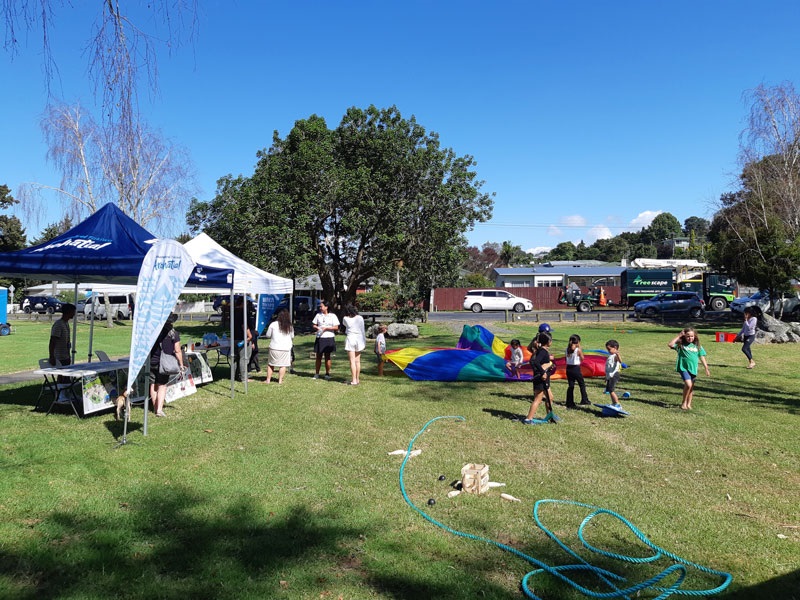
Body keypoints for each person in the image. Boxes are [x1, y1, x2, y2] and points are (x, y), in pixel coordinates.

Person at [149, 315, 184, 417]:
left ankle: (155, 406)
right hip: (165, 364)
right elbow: (177, 351)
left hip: (152, 361)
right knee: (162, 385)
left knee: (153, 384)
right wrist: (181, 364)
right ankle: (159, 409)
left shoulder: (153, 332)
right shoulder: (174, 334)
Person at [668, 328, 710, 411]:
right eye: (688, 336)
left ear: (695, 336)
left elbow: (702, 357)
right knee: (688, 384)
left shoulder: (697, 346)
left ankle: (688, 404)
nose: (690, 338)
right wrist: (679, 336)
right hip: (683, 368)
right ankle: (683, 403)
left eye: (692, 336)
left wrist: (706, 368)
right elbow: (670, 344)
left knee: (691, 388)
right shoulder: (681, 345)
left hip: (693, 369)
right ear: (684, 336)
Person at [522, 331, 558, 424]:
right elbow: (536, 362)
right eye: (551, 340)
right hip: (541, 379)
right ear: (548, 341)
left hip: (545, 379)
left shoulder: (543, 351)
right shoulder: (542, 351)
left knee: (550, 397)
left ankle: (550, 416)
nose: (552, 342)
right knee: (538, 399)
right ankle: (528, 419)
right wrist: (543, 373)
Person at [264, 309, 294, 384]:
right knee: (283, 365)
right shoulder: (289, 326)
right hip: (285, 348)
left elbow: (268, 335)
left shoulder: (273, 324)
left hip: (274, 347)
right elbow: (292, 336)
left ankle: (268, 380)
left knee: (271, 364)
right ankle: (280, 380)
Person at [312, 300, 340, 380]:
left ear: (326, 307)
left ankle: (327, 373)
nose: (320, 308)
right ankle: (317, 373)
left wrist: (327, 328)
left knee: (327, 356)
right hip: (320, 337)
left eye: (322, 306)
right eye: (320, 306)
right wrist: (317, 327)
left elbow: (336, 327)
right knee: (318, 356)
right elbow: (314, 324)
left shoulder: (332, 316)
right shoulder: (318, 315)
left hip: (329, 337)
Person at [565, 334, 590, 408]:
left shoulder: (567, 349)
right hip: (576, 368)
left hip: (568, 368)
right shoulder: (578, 350)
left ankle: (569, 402)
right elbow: (582, 358)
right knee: (581, 384)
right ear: (578, 342)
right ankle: (584, 399)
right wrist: (580, 349)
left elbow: (566, 359)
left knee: (571, 385)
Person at [343, 304, 366, 385]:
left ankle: (354, 380)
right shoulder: (360, 318)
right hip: (359, 338)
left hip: (351, 338)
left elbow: (345, 325)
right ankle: (357, 379)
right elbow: (362, 329)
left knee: (352, 361)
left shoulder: (345, 319)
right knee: (357, 361)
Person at [232, 296, 252, 382]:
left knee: (235, 358)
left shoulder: (233, 312)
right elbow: (244, 325)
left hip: (234, 337)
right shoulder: (243, 312)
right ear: (243, 303)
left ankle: (233, 376)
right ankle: (244, 378)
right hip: (242, 338)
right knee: (244, 358)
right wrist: (249, 336)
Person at [49, 303, 76, 368]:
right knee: (62, 375)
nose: (74, 314)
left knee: (66, 376)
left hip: (66, 355)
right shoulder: (59, 324)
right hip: (59, 357)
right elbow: (52, 341)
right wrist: (52, 356)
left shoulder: (66, 323)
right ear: (69, 312)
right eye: (73, 312)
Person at [604, 339, 622, 408]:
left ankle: (617, 404)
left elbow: (620, 361)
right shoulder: (610, 356)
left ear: (615, 348)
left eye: (609, 349)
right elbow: (608, 368)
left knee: (611, 390)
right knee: (609, 390)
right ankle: (614, 403)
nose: (608, 351)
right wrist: (606, 377)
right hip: (610, 376)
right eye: (607, 349)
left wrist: (618, 354)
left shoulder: (615, 356)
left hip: (614, 375)